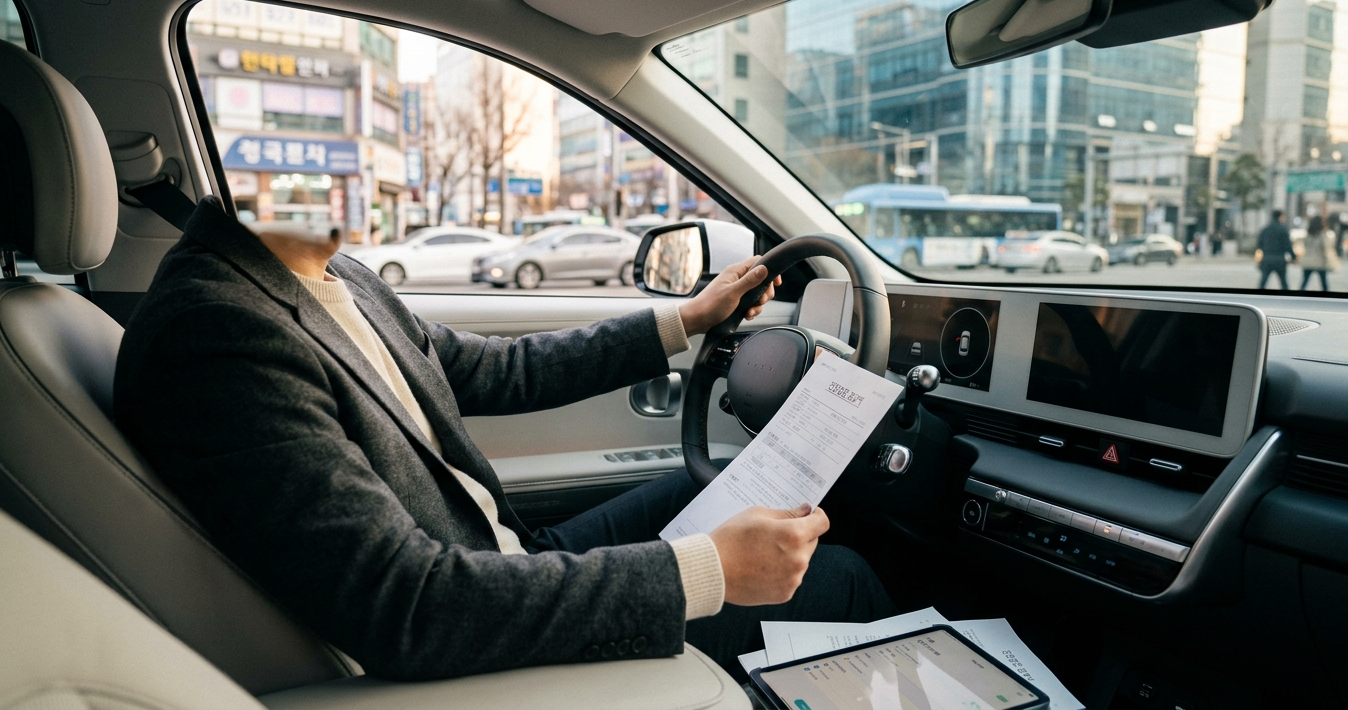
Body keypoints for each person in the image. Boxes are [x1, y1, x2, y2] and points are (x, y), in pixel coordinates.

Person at [114, 199, 896, 684]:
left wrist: (686, 319)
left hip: (497, 558)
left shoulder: (326, 273)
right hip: (478, 630)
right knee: (850, 578)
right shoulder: (216, 332)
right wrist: (707, 570)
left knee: (724, 485)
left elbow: (490, 369)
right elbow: (408, 608)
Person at [1256, 210, 1294, 290]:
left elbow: (1259, 244)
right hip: (1280, 259)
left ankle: (1258, 297)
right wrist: (1293, 256)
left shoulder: (1265, 229)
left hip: (1267, 259)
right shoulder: (1283, 229)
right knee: (1283, 282)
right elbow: (1287, 245)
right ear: (1280, 217)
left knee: (1263, 282)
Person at [1300, 214, 1338, 292]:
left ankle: (1298, 296)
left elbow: (1304, 245)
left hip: (1308, 260)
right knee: (1324, 283)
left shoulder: (1308, 235)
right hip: (1319, 261)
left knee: (1304, 281)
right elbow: (1326, 248)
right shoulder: (1322, 235)